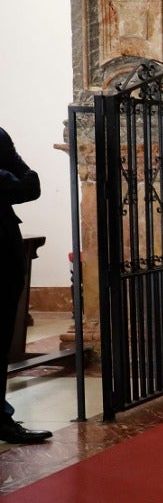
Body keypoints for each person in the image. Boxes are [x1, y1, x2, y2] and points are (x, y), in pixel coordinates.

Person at [1, 126, 51, 446]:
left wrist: (4, 179)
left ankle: (1, 421)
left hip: (3, 254)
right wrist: (7, 180)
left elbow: (31, 185)